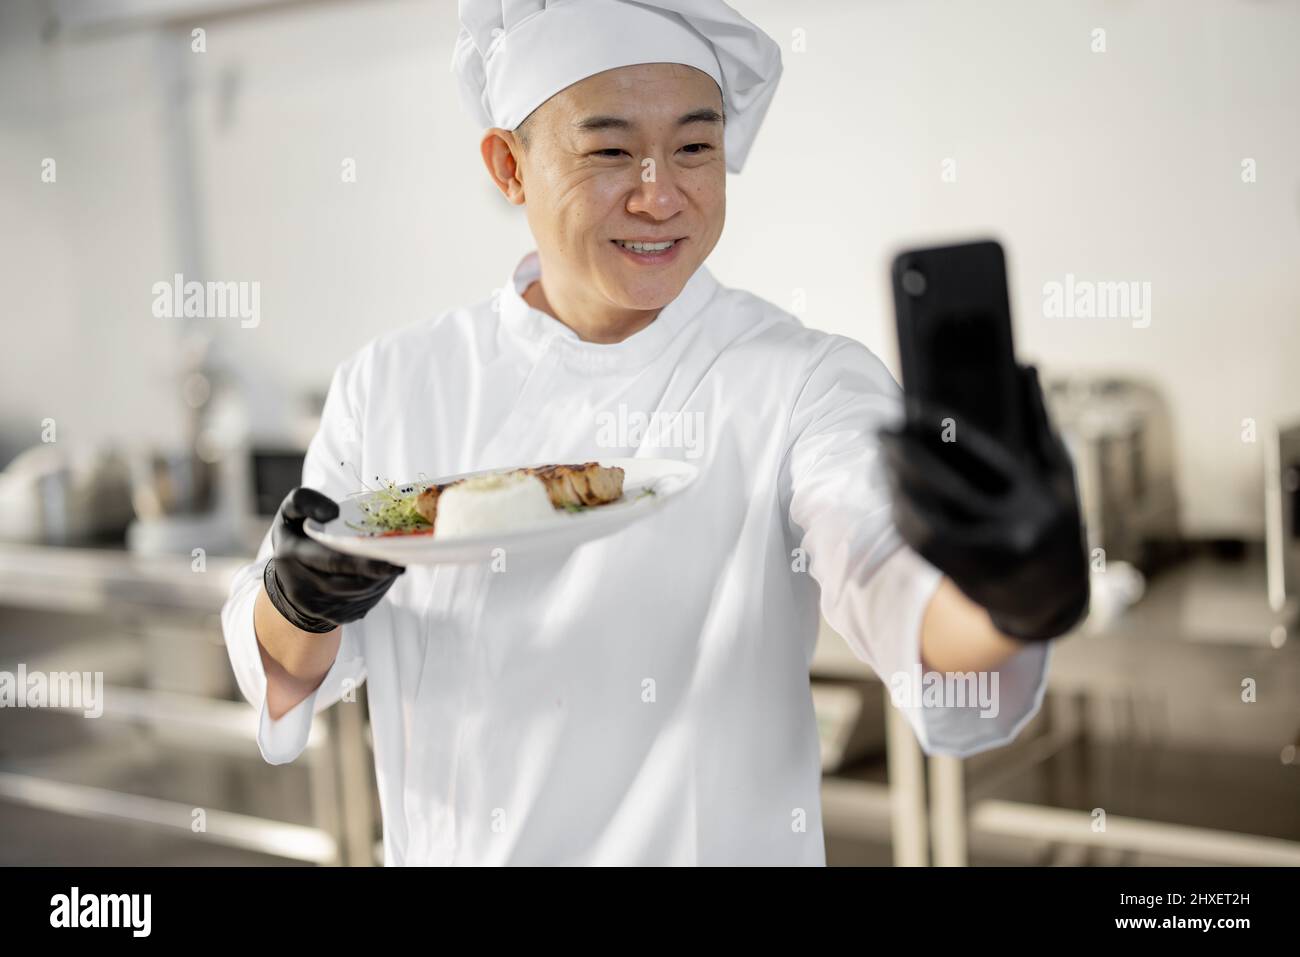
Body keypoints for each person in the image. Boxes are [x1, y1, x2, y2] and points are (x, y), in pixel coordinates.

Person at [221, 0, 1089, 865]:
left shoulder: (799, 380)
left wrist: (1012, 592)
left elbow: (895, 582)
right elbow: (288, 669)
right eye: (608, 150)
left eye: (695, 147)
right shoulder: (394, 383)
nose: (660, 193)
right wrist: (302, 595)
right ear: (508, 166)